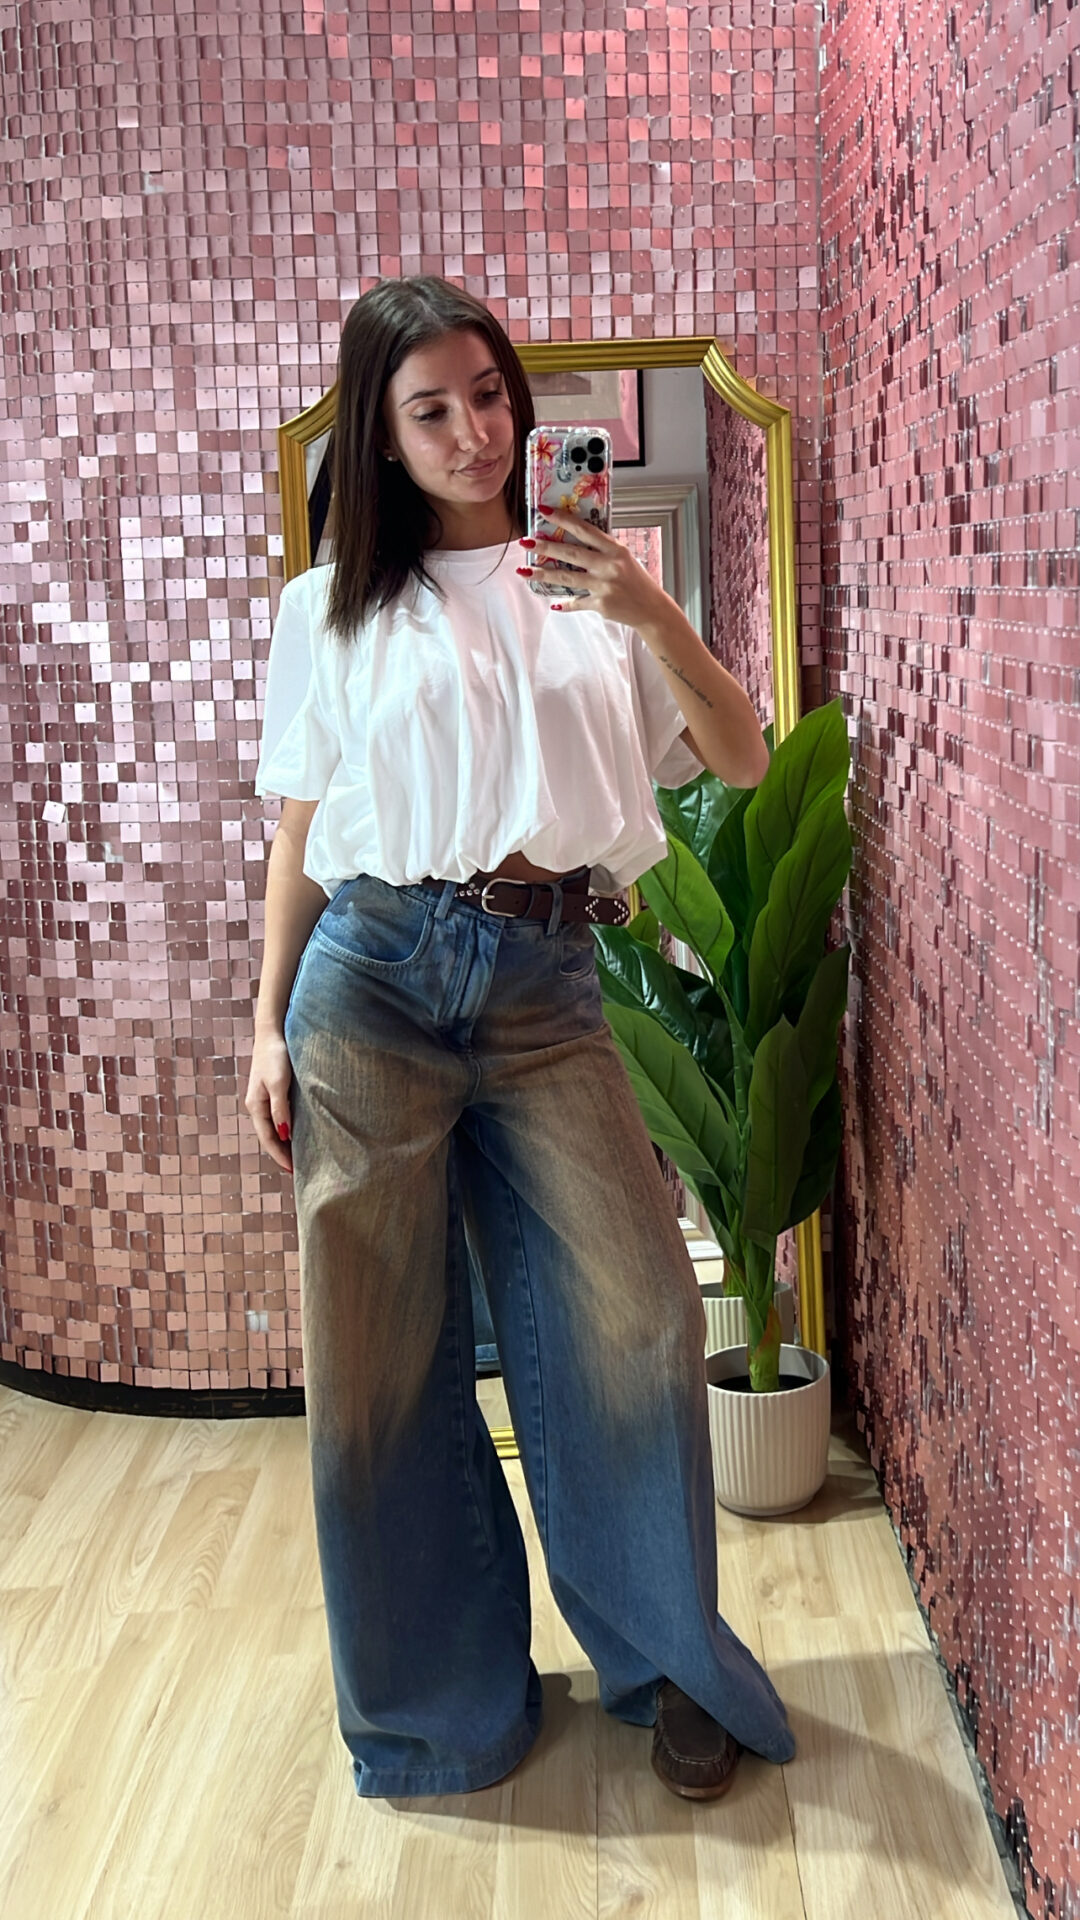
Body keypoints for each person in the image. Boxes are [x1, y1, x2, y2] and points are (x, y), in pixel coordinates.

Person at [245, 274, 795, 1803]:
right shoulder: (327, 609)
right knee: (379, 1359)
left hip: (548, 983)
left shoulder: (594, 589)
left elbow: (744, 758)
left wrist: (645, 606)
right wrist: (263, 1023)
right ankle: (442, 1714)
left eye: (488, 395)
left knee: (640, 1316)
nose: (474, 432)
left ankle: (666, 1664)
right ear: (382, 436)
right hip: (370, 978)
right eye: (431, 410)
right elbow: (298, 830)